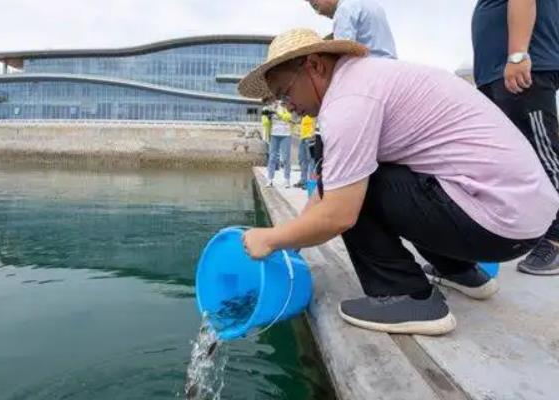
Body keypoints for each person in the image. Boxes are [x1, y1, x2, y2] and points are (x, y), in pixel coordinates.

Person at [237, 29, 559, 335]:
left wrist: (271, 239)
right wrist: (292, 237)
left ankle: (408, 298)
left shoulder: (349, 101)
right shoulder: (372, 77)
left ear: (315, 66)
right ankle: (461, 272)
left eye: (285, 93)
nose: (288, 107)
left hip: (496, 223)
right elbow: (326, 188)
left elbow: (337, 213)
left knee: (357, 191)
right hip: (524, 222)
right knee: (374, 177)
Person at [472, 0, 559, 275]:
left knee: (545, 153)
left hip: (520, 67)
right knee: (507, 164)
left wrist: (518, 55)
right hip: (497, 72)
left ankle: (557, 239)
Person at [305, 0, 397, 59]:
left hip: (372, 73)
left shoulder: (344, 10)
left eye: (316, 7)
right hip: (391, 68)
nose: (319, 13)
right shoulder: (372, 4)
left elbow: (344, 53)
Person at [266, 103, 293, 188]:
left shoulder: (287, 105)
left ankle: (287, 179)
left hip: (286, 134)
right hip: (274, 134)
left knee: (285, 158)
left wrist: (277, 113)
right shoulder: (271, 106)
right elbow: (266, 121)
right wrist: (269, 116)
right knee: (272, 157)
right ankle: (270, 179)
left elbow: (288, 117)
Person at [294, 115, 317, 189]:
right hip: (303, 136)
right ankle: (303, 180)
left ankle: (310, 182)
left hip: (310, 136)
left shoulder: (312, 110)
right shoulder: (304, 112)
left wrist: (313, 135)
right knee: (302, 159)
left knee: (311, 160)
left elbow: (315, 121)